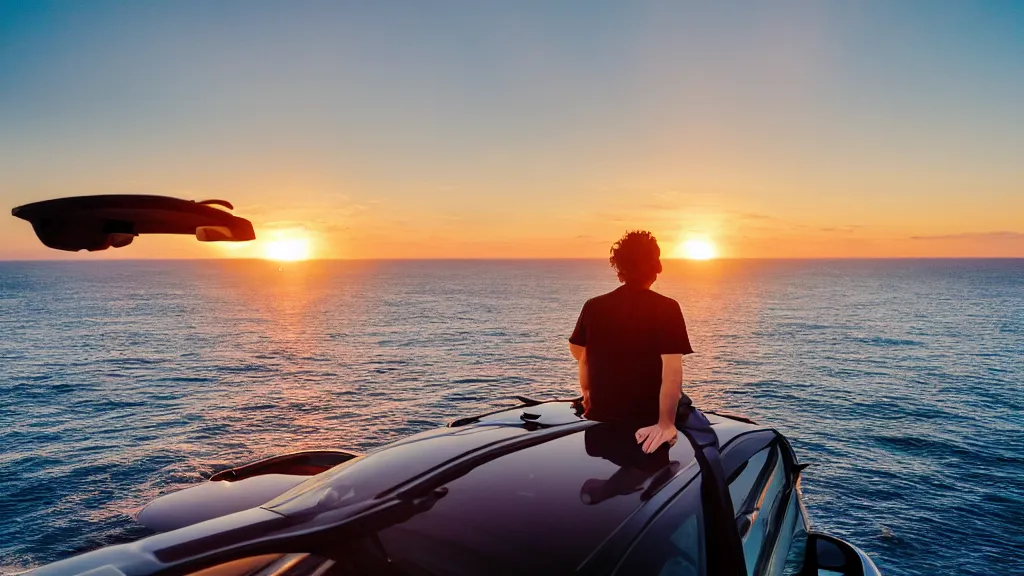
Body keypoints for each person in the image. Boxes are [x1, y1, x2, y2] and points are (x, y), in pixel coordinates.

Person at [569, 230, 694, 454]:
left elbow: (581, 354)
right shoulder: (667, 308)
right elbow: (672, 372)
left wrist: (589, 393)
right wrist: (665, 424)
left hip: (598, 418)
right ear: (657, 268)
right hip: (646, 423)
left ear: (619, 270)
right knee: (707, 441)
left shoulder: (594, 306)